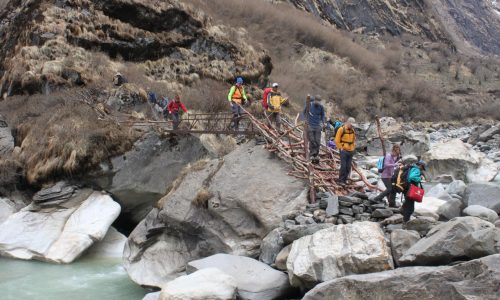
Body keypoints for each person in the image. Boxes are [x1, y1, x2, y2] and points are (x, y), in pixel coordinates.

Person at [402, 160, 426, 225]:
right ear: (421, 165)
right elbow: (412, 177)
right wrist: (420, 178)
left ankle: (404, 218)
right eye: (422, 168)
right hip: (410, 189)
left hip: (406, 188)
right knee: (410, 208)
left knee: (407, 204)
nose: (422, 170)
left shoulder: (411, 168)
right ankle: (405, 221)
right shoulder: (416, 169)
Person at [304, 95, 326, 163]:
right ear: (315, 100)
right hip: (310, 125)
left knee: (318, 141)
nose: (318, 103)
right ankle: (312, 154)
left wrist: (323, 122)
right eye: (317, 101)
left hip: (317, 125)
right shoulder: (309, 105)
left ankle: (316, 155)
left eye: (319, 102)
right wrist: (306, 120)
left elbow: (323, 115)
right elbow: (304, 112)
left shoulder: (321, 107)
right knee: (312, 140)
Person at [335, 117, 356, 185]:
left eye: (353, 125)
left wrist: (353, 148)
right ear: (348, 123)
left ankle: (345, 180)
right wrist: (341, 148)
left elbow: (354, 139)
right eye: (351, 124)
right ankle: (341, 180)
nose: (352, 126)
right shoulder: (341, 129)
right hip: (344, 150)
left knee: (348, 167)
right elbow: (337, 140)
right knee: (343, 166)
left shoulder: (352, 130)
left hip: (351, 150)